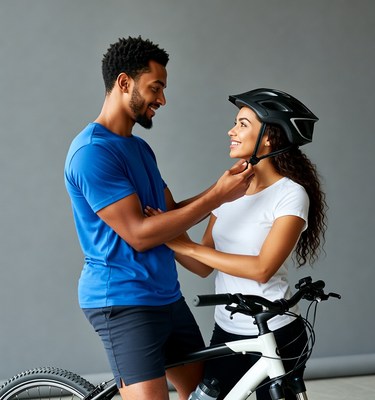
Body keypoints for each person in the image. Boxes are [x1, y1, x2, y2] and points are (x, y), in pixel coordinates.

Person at [64, 36, 254, 400]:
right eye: (156, 88)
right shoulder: (92, 153)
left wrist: (226, 189)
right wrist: (217, 196)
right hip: (122, 301)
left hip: (166, 296)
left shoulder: (139, 148)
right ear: (124, 83)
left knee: (210, 395)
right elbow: (139, 233)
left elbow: (171, 215)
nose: (162, 99)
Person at [151, 88, 327, 399]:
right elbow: (205, 266)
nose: (231, 131)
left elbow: (262, 269)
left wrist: (186, 245)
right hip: (228, 331)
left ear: (269, 138)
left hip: (278, 332)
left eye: (243, 124)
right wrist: (163, 236)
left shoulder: (290, 195)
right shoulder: (230, 189)